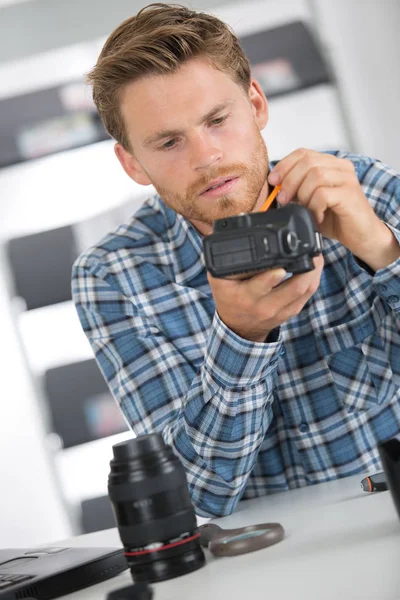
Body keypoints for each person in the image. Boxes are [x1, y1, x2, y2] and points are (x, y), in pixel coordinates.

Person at [72, 3, 400, 517]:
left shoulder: (362, 188)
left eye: (218, 120)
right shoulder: (115, 278)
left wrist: (383, 251)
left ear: (257, 104)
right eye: (169, 141)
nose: (206, 156)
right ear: (133, 162)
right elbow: (199, 494)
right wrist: (241, 336)